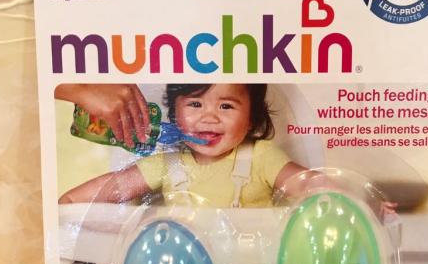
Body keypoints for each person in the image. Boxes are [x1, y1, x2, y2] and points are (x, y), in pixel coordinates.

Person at [56, 83, 312, 207]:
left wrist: (325, 193)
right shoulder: (167, 163)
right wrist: (69, 202)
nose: (209, 117)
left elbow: (309, 186)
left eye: (226, 106)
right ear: (174, 115)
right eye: (195, 104)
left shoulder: (261, 157)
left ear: (251, 119)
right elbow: (117, 186)